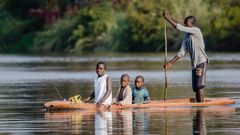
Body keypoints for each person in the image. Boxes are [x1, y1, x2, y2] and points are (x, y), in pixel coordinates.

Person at [162, 10, 209, 102]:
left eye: (187, 23)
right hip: (194, 64)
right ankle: (199, 105)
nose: (185, 25)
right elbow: (181, 52)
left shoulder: (196, 30)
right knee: (195, 87)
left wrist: (168, 19)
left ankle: (201, 107)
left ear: (192, 24)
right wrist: (170, 63)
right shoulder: (186, 36)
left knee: (199, 85)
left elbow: (180, 27)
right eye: (185, 23)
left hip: (201, 61)